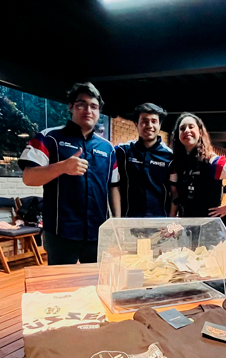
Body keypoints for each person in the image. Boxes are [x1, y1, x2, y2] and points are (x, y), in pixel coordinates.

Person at [19, 82, 119, 265]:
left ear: (99, 112)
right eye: (82, 104)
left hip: (98, 232)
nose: (88, 110)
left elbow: (113, 187)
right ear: (71, 106)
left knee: (96, 281)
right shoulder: (49, 138)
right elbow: (28, 177)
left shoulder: (108, 148)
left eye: (94, 106)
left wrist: (117, 223)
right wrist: (62, 167)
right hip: (60, 232)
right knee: (60, 282)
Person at [168, 113, 226, 221]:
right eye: (182, 128)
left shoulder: (214, 162)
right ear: (178, 135)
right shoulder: (177, 164)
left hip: (210, 225)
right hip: (187, 224)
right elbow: (175, 196)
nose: (187, 130)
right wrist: (171, 220)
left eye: (191, 127)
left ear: (200, 132)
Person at [115, 103, 174, 217]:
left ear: (159, 125)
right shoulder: (123, 151)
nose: (149, 125)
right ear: (136, 124)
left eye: (154, 121)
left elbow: (175, 193)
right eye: (144, 121)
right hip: (128, 220)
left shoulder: (170, 157)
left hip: (160, 222)